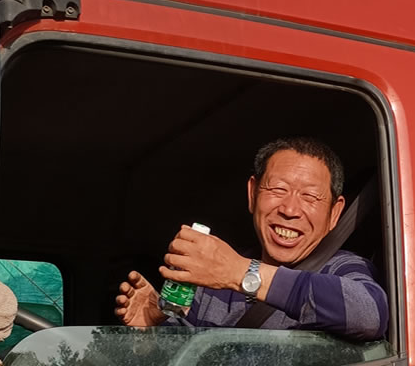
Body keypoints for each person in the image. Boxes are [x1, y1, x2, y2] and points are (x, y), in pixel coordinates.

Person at [116, 137, 388, 342]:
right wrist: (156, 327)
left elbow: (369, 314)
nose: (290, 210)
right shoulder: (212, 282)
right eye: (278, 189)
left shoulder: (341, 268)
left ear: (334, 213)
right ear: (252, 194)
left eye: (309, 196)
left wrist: (241, 273)